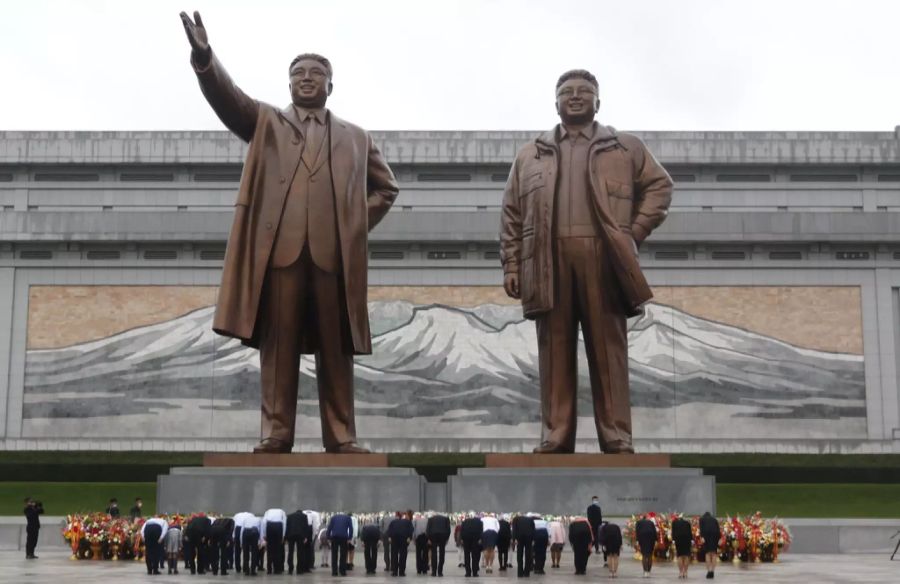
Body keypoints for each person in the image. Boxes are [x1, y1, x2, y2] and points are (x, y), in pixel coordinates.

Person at [179, 11, 399, 455]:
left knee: (336, 350)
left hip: (333, 260)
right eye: (298, 73)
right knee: (278, 348)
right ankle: (277, 432)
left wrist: (352, 227)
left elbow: (387, 188)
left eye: (316, 73)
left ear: (330, 86)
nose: (306, 79)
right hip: (280, 256)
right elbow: (228, 99)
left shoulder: (356, 137)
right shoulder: (266, 124)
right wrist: (205, 58)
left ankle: (341, 435)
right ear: (289, 83)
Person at [500, 69, 673, 455]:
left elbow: (660, 186)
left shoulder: (624, 148)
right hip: (547, 261)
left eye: (584, 91)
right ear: (555, 102)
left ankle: (616, 435)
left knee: (608, 350)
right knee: (554, 351)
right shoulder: (531, 154)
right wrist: (512, 265)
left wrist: (633, 232)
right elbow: (512, 213)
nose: (575, 97)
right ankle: (556, 434)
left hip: (604, 259)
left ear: (599, 101)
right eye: (566, 92)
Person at [387, 511, 414, 577]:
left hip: (394, 539)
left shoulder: (393, 522)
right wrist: (409, 538)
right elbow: (411, 530)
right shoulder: (408, 522)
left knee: (394, 555)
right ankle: (402, 572)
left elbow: (389, 530)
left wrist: (389, 537)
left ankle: (394, 572)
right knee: (403, 555)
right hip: (404, 539)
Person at [261, 507, 288, 574]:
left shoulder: (267, 511)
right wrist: (283, 535)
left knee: (269, 549)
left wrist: (264, 534)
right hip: (278, 526)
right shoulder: (282, 511)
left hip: (269, 526)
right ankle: (277, 569)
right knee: (278, 550)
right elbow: (284, 523)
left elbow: (264, 522)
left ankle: (269, 569)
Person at [426, 512, 451, 577]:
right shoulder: (446, 519)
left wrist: (428, 538)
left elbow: (428, 529)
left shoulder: (430, 519)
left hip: (433, 536)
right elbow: (448, 530)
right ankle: (440, 572)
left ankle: (434, 572)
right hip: (443, 536)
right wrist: (447, 538)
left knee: (434, 553)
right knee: (442, 553)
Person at [328, 512, 353, 576]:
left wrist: (328, 537)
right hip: (344, 537)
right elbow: (351, 528)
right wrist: (349, 538)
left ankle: (334, 572)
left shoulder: (333, 517)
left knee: (334, 555)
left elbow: (329, 527)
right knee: (343, 555)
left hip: (334, 537)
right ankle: (342, 571)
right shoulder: (348, 518)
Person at [285, 509, 309, 575]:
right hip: (300, 535)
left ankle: (290, 569)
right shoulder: (304, 516)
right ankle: (299, 570)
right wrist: (306, 537)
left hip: (291, 535)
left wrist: (286, 538)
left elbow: (287, 527)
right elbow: (306, 527)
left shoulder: (289, 516)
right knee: (300, 553)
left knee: (290, 552)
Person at [512, 513, 535, 577]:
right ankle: (527, 573)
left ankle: (520, 573)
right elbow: (533, 530)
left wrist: (513, 539)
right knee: (528, 555)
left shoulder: (516, 519)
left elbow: (514, 530)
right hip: (529, 538)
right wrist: (533, 539)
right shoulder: (530, 519)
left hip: (520, 538)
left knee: (519, 555)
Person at [699, 512, 721, 579]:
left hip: (706, 535)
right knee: (714, 553)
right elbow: (718, 529)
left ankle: (709, 571)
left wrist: (702, 537)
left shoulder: (702, 519)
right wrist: (719, 538)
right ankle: (713, 571)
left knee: (708, 553)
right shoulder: (714, 519)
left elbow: (701, 528)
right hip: (715, 536)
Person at [460, 513, 483, 577]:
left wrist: (461, 539)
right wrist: (480, 539)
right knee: (475, 556)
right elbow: (481, 531)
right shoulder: (479, 522)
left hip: (466, 540)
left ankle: (468, 572)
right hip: (476, 540)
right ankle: (475, 572)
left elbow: (461, 530)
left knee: (467, 556)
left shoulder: (464, 522)